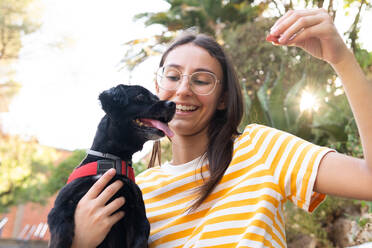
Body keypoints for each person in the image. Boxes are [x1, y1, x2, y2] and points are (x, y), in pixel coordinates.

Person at [71, 9, 372, 248]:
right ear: (156, 88)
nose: (183, 90)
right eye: (173, 76)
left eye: (201, 80)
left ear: (223, 99)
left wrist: (341, 59)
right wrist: (79, 243)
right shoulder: (136, 190)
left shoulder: (260, 149)